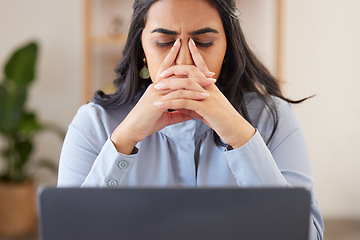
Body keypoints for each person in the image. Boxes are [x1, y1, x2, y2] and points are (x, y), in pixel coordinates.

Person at [57, 0, 324, 238]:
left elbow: (307, 235)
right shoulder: (94, 123)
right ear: (142, 49)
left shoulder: (273, 118)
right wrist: (124, 140)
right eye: (163, 43)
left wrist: (240, 137)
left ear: (227, 47)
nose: (184, 61)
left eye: (204, 42)